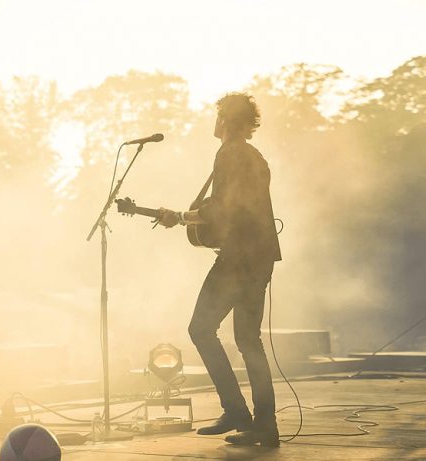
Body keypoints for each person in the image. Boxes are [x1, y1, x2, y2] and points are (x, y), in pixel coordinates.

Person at [157, 92, 282, 447]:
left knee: (201, 329)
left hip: (238, 260)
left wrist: (180, 217)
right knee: (248, 340)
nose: (215, 122)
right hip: (260, 258)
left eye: (218, 116)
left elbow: (223, 210)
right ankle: (264, 426)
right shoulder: (255, 157)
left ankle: (237, 412)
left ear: (225, 119)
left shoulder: (229, 154)